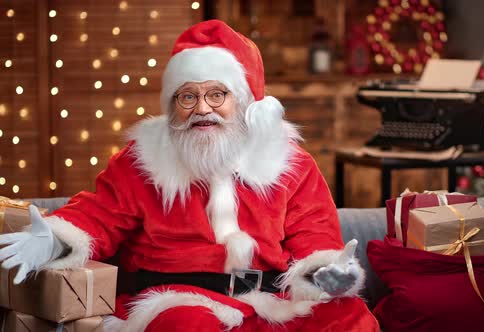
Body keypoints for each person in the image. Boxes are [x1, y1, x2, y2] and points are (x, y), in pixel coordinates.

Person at [0, 20, 379, 331]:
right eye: (188, 97)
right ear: (172, 105)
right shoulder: (143, 160)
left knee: (351, 319)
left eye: (217, 95)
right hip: (176, 301)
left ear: (244, 103)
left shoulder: (290, 164)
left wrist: (325, 274)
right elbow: (98, 215)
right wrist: (53, 239)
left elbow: (315, 235)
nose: (202, 109)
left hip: (269, 306)